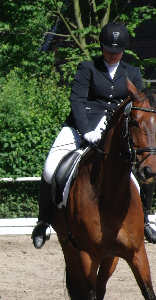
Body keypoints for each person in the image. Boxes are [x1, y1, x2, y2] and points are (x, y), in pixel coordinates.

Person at [31, 21, 155, 248]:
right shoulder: (87, 68)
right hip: (83, 125)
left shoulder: (132, 72)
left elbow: (140, 105)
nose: (112, 55)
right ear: (101, 47)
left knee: (146, 162)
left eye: (117, 51)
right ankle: (43, 221)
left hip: (117, 130)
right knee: (50, 167)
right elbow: (77, 101)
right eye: (108, 50)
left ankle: (145, 219)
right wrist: (85, 129)